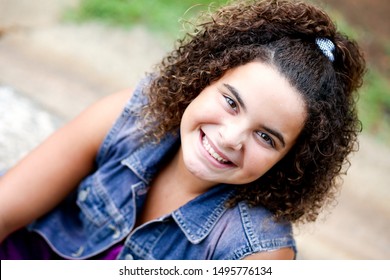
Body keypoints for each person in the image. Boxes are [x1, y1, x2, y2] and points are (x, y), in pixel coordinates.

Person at [0, 0, 365, 260]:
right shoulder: (131, 118)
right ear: (204, 79)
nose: (230, 137)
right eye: (231, 103)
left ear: (290, 160)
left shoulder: (256, 253)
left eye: (266, 137)